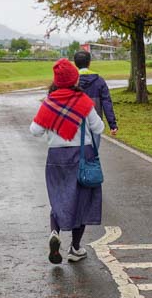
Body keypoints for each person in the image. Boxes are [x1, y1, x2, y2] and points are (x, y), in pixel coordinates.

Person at [30, 58, 104, 264]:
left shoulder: (50, 103)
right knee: (82, 201)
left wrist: (53, 124)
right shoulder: (83, 102)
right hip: (82, 156)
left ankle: (55, 232)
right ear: (74, 79)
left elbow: (34, 131)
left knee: (58, 199)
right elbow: (99, 128)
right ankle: (75, 248)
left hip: (56, 158)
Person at [72, 49, 118, 135]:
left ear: (75, 63)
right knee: (94, 148)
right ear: (89, 63)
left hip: (75, 122)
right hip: (95, 122)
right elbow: (106, 102)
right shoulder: (99, 81)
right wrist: (112, 124)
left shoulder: (71, 82)